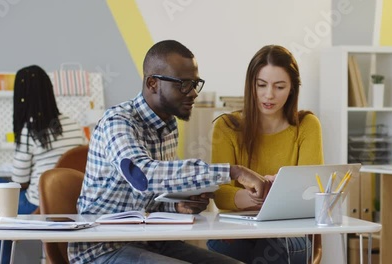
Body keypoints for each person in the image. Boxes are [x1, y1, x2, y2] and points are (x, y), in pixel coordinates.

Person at [68, 40, 270, 264]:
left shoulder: (169, 126)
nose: (193, 93)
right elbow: (144, 176)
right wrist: (233, 172)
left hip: (152, 240)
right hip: (103, 248)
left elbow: (149, 199)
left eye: (195, 83)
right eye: (183, 84)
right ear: (153, 83)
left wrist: (177, 205)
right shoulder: (117, 122)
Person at [206, 45, 324, 263]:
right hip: (239, 228)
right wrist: (254, 195)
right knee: (218, 246)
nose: (269, 95)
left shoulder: (307, 126)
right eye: (261, 85)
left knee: (272, 246)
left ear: (292, 89)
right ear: (251, 85)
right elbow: (221, 194)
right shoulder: (226, 127)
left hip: (291, 232)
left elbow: (312, 191)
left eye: (279, 87)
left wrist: (277, 191)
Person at [0, 65, 86, 264]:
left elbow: (19, 181)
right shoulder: (73, 124)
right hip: (71, 202)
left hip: (39, 205)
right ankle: (6, 226)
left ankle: (3, 254)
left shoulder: (30, 130)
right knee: (1, 211)